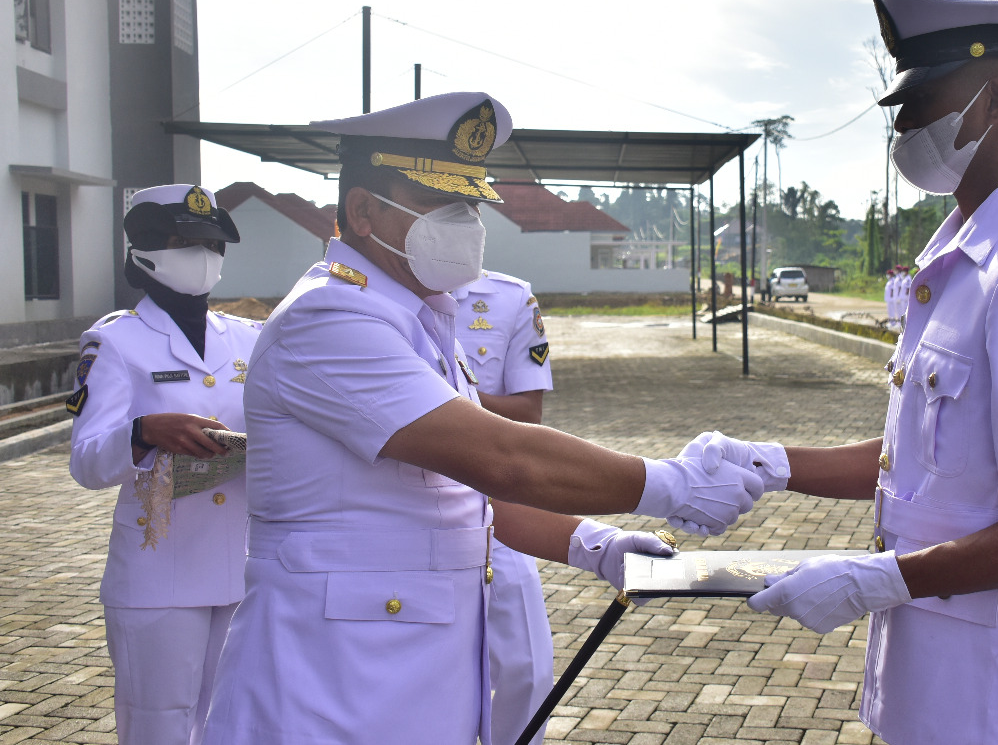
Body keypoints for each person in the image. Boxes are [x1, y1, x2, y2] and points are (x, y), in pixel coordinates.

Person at [201, 92, 763, 745]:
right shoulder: (329, 320)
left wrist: (594, 543)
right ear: (362, 212)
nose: (466, 222)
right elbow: (506, 458)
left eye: (470, 202)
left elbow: (471, 496)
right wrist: (672, 485)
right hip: (325, 694)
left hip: (404, 685)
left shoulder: (419, 318)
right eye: (443, 203)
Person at [690, 0, 998, 744]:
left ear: (993, 100)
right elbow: (919, 465)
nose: (902, 123)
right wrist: (771, 464)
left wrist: (882, 579)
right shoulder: (958, 263)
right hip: (933, 678)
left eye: (923, 98)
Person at [67, 184, 260, 745]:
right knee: (159, 724)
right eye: (185, 241)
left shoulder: (248, 337)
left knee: (232, 721)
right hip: (159, 569)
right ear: (146, 250)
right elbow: (87, 462)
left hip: (242, 564)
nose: (203, 255)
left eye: (211, 242)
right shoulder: (115, 342)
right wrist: (144, 432)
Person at [452, 269, 555, 745]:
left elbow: (528, 412)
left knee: (527, 669)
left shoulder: (510, 297)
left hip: (494, 503)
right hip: (399, 504)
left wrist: (445, 407)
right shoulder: (364, 291)